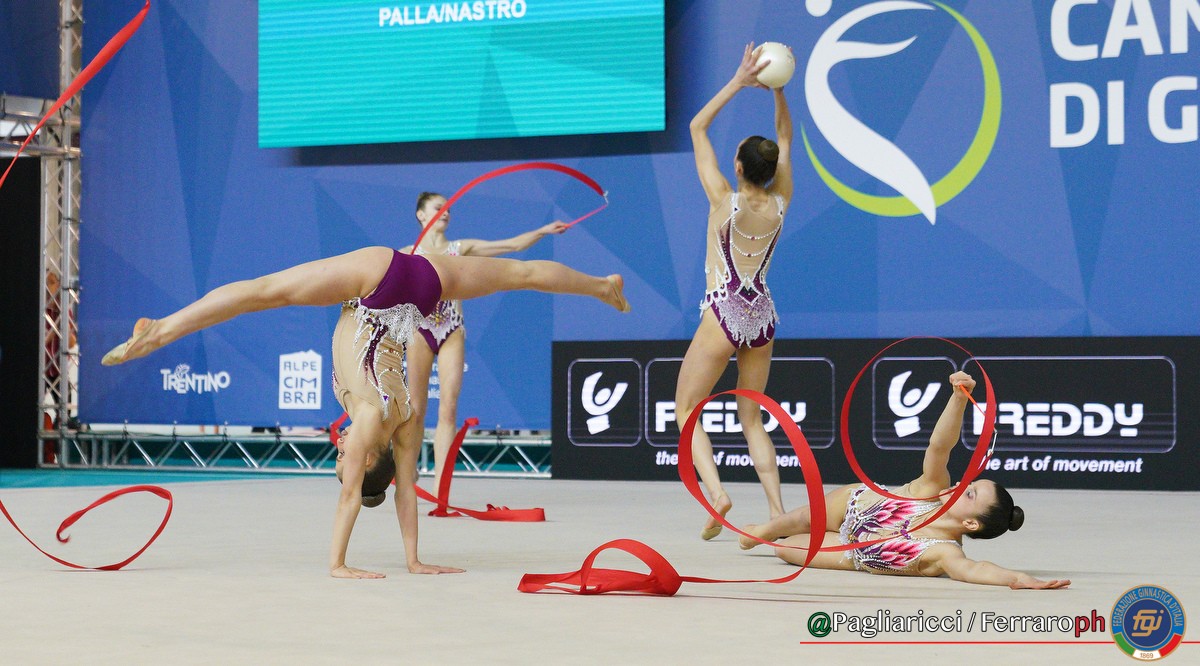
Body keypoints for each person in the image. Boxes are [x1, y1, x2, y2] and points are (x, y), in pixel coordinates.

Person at [101, 245, 629, 578]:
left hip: (422, 291)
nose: (339, 449)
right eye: (344, 458)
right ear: (366, 455)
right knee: (267, 292)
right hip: (377, 287)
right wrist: (338, 563)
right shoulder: (371, 422)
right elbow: (353, 497)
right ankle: (161, 331)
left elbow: (406, 490)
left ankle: (601, 286)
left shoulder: (402, 422)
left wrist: (414, 561)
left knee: (521, 273)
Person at [738, 372, 1070, 589]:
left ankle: (775, 535)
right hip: (853, 506)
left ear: (971, 523)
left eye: (968, 494)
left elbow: (974, 569)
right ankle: (765, 529)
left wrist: (1017, 577)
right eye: (968, 483)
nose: (959, 486)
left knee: (784, 549)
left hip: (851, 554)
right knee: (798, 521)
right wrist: (958, 399)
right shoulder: (931, 489)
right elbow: (939, 446)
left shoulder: (944, 552)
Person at [677, 43, 794, 540]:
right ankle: (777, 514)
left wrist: (738, 81)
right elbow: (784, 136)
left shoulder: (723, 200)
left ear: (739, 168)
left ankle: (718, 494)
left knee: (687, 409)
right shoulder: (782, 201)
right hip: (763, 314)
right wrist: (778, 90)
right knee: (752, 419)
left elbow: (696, 127)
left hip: (724, 310)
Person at [401, 192, 568, 491]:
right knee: (416, 409)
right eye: (439, 208)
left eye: (449, 208)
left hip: (452, 329)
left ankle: (440, 487)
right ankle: (407, 469)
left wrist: (543, 230)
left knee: (448, 409)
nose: (446, 212)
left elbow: (511, 245)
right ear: (421, 215)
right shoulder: (407, 254)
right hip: (420, 330)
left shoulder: (460, 248)